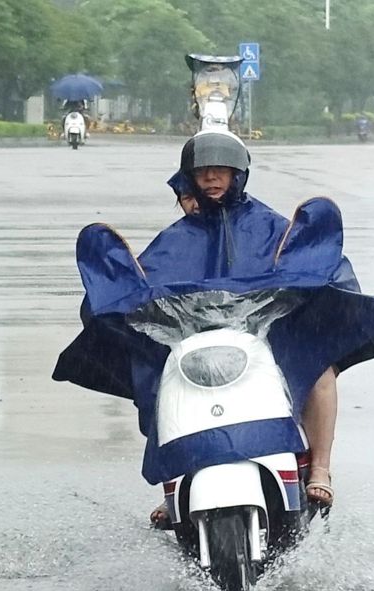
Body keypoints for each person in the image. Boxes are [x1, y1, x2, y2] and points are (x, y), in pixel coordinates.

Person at [143, 131, 340, 526]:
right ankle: (174, 478)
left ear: (239, 175)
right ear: (190, 178)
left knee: (321, 369)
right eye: (203, 173)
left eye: (221, 171)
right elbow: (146, 279)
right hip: (196, 340)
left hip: (267, 336)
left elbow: (310, 263)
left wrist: (301, 296)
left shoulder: (270, 226)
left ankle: (319, 466)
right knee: (152, 374)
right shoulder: (175, 238)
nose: (212, 179)